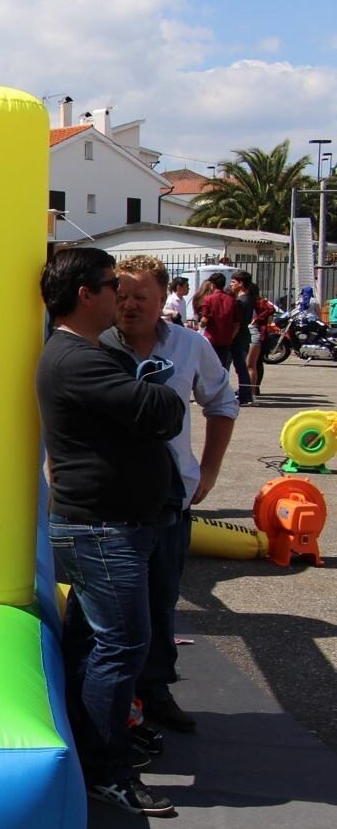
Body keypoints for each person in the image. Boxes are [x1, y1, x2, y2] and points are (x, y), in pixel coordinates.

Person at [37, 247, 185, 816]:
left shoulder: (88, 355)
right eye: (110, 285)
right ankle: (106, 768)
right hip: (103, 531)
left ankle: (95, 746)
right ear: (85, 295)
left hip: (104, 528)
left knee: (93, 645)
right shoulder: (78, 360)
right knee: (121, 647)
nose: (119, 297)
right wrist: (160, 394)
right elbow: (162, 411)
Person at [104, 255, 237, 735]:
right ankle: (108, 706)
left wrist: (210, 470)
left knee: (161, 602)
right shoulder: (93, 343)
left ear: (165, 298)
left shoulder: (190, 345)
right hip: (107, 500)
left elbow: (222, 402)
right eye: (121, 295)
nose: (129, 305)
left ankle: (155, 691)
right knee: (107, 611)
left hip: (168, 501)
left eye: (141, 296)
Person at [227, 270, 257, 405]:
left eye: (233, 282)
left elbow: (237, 323)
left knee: (240, 367)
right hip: (243, 336)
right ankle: (245, 393)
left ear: (241, 283)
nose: (231, 284)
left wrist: (231, 337)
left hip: (239, 337)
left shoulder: (241, 301)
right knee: (241, 367)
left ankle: (245, 395)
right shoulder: (248, 298)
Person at [197, 273, 237, 368]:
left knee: (208, 366)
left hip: (211, 338)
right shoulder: (231, 300)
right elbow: (236, 323)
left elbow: (204, 320)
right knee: (223, 366)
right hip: (226, 339)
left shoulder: (208, 299)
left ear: (213, 285)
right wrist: (231, 336)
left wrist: (200, 325)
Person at [244, 277, 273, 400]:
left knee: (253, 363)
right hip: (254, 333)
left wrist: (257, 319)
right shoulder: (247, 300)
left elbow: (271, 309)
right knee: (255, 363)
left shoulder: (257, 301)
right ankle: (253, 389)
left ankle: (253, 389)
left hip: (257, 333)